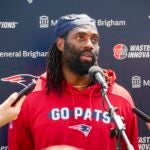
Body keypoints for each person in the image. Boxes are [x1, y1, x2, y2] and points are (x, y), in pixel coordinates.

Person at [8, 14, 139, 150]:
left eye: (94, 40)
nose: (89, 44)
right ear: (61, 44)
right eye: (80, 37)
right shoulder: (32, 98)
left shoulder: (120, 98)